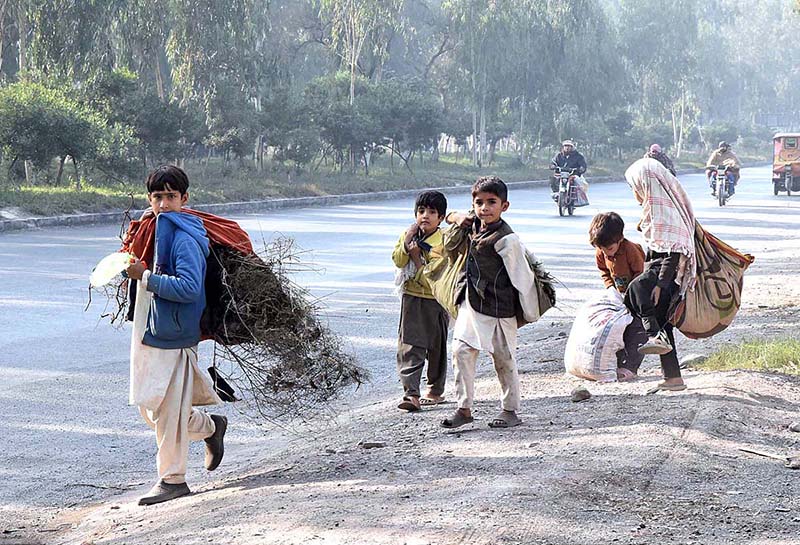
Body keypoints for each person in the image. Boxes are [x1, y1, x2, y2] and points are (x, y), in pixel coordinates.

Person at [125, 165, 227, 505]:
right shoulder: (155, 229)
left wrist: (146, 277)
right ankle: (210, 426)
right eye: (158, 197)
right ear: (150, 199)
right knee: (149, 405)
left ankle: (173, 479)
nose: (164, 204)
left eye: (171, 196)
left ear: (185, 198)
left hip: (176, 333)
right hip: (153, 329)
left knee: (167, 410)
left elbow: (187, 288)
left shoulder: (184, 238)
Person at [440, 176, 543, 429]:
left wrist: (528, 312)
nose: (484, 208)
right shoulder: (471, 225)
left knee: (503, 358)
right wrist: (457, 218)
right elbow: (449, 220)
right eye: (479, 203)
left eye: (491, 202)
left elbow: (523, 278)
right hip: (470, 303)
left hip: (499, 307)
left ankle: (510, 410)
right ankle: (464, 409)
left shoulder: (508, 240)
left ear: (504, 206)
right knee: (461, 352)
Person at [623, 158, 697, 393]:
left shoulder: (663, 212)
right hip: (660, 272)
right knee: (663, 322)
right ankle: (673, 378)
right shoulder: (656, 210)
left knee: (635, 289)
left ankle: (654, 335)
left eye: (635, 186)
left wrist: (659, 285)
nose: (635, 192)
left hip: (667, 274)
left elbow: (673, 251)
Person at [391, 191, 450, 412]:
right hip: (412, 297)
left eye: (432, 212)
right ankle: (411, 394)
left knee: (436, 346)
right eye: (421, 211)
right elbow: (398, 261)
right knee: (410, 345)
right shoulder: (409, 234)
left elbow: (434, 277)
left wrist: (417, 257)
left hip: (436, 299)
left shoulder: (443, 241)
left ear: (441, 217)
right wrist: (407, 243)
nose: (425, 216)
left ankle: (435, 390)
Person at [588, 212, 648, 381]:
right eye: (602, 249)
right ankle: (618, 363)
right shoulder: (602, 252)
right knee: (619, 330)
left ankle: (630, 367)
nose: (606, 253)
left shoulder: (631, 250)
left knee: (637, 330)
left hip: (640, 296)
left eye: (610, 249)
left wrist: (631, 295)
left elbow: (641, 274)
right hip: (620, 297)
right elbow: (604, 272)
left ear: (620, 239)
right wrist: (611, 289)